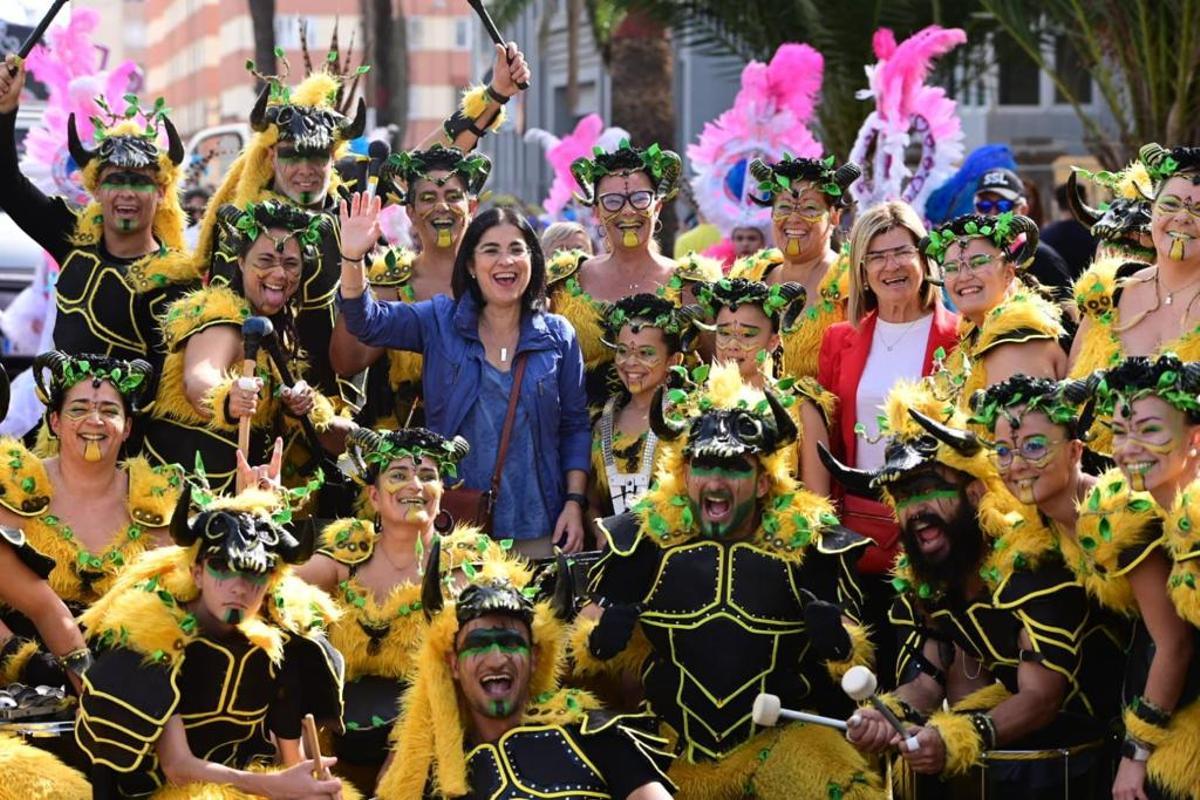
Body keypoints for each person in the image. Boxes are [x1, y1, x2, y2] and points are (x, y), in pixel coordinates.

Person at [575, 363, 881, 799]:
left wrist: (839, 645)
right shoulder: (644, 537)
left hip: (779, 745)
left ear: (761, 483)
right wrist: (599, 640)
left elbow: (856, 653)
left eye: (735, 467)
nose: (716, 481)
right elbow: (581, 636)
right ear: (684, 476)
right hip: (672, 745)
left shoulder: (808, 541)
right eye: (703, 466)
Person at [822, 383, 1124, 795]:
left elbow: (1042, 697)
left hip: (1097, 752)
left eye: (929, 488)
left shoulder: (1030, 563)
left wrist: (960, 736)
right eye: (904, 497)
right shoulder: (933, 579)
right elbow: (928, 682)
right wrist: (886, 713)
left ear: (976, 490)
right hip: (1031, 745)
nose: (916, 510)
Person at [972, 371, 1200, 800]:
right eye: (1003, 451)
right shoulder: (1043, 528)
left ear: (1076, 449)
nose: (1017, 463)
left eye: (1035, 446)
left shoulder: (1114, 518)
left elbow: (1173, 645)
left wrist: (1136, 755)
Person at [337, 196, 590, 556]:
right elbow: (367, 322)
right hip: (456, 526)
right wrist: (352, 258)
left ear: (532, 261)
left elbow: (575, 426)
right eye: (491, 250)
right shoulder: (440, 320)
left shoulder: (558, 335)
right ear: (470, 264)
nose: (505, 261)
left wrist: (574, 503)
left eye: (516, 250)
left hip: (541, 528)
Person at [75, 485, 354, 799]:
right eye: (221, 567)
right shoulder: (156, 636)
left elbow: (293, 760)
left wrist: (315, 787)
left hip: (246, 784)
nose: (238, 588)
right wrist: (276, 786)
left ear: (271, 582)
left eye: (254, 573)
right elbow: (178, 767)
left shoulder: (280, 643)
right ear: (196, 573)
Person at [295, 426, 519, 792]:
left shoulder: (464, 564)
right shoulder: (347, 555)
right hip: (337, 735)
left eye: (428, 475)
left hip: (433, 729)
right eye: (399, 475)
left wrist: (408, 754)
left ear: (441, 494)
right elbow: (275, 596)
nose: (415, 485)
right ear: (374, 496)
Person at [375, 552, 675, 799]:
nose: (496, 659)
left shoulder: (591, 734)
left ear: (534, 658)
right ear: (454, 664)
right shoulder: (431, 776)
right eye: (478, 645)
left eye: (510, 643)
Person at [817, 201, 960, 687]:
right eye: (875, 256)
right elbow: (833, 438)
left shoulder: (959, 338)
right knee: (859, 674)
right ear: (861, 269)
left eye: (901, 251)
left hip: (935, 532)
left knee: (925, 672)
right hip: (860, 533)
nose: (890, 266)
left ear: (924, 259)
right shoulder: (840, 339)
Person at [0, 57, 200, 365]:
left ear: (161, 192)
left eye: (139, 182)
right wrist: (5, 110)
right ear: (95, 189)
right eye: (115, 180)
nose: (126, 193)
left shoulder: (176, 280)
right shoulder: (72, 241)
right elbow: (8, 186)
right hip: (64, 411)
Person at [144, 200, 352, 494]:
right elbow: (200, 377)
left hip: (244, 499)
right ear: (241, 262)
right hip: (185, 500)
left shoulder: (279, 334)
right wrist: (228, 397)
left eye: (291, 264)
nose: (280, 274)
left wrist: (301, 408)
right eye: (265, 261)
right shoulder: (221, 317)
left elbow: (323, 432)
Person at [193, 64, 368, 409]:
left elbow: (419, 167)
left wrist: (493, 95)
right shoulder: (245, 228)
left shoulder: (351, 210)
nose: (305, 169)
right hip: (267, 401)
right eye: (291, 155)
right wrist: (230, 395)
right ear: (272, 155)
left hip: (346, 408)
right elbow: (224, 322)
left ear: (333, 159)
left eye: (316, 156)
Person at [5, 352, 182, 635]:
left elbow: (187, 592)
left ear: (127, 428)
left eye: (110, 411)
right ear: (55, 422)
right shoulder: (13, 486)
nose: (95, 420)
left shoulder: (159, 501)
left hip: (120, 669)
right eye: (78, 409)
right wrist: (17, 656)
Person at [330, 145, 493, 430]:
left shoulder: (497, 278)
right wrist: (352, 256)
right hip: (409, 457)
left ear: (473, 207)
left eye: (453, 197)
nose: (441, 207)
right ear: (411, 212)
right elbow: (347, 362)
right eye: (428, 198)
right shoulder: (392, 281)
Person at [553, 140, 721, 407]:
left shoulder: (694, 283)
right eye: (612, 201)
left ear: (658, 207)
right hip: (579, 442)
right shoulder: (563, 283)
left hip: (673, 441)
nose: (628, 210)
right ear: (596, 211)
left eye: (640, 198)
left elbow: (721, 374)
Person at [1068, 145, 1200, 453]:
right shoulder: (1110, 294)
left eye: (1198, 209)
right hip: (1098, 491)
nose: (1182, 217)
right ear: (1152, 211)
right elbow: (1070, 403)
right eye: (1171, 204)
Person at [695, 277, 833, 495]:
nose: (732, 345)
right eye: (724, 333)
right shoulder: (696, 404)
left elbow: (818, 502)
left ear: (773, 342)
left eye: (747, 335)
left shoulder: (801, 407)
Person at [730, 153, 862, 379]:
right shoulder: (747, 276)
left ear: (834, 216)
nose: (794, 218)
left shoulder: (852, 283)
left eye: (809, 208)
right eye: (783, 207)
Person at [921, 213, 1067, 404]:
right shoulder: (974, 335)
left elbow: (1019, 431)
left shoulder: (1018, 341)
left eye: (979, 262)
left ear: (1008, 274)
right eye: (951, 268)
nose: (963, 276)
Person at [588, 295, 692, 521]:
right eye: (623, 351)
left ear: (674, 361)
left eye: (646, 353)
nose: (630, 363)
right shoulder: (603, 421)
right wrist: (600, 529)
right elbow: (592, 502)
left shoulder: (688, 420)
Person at [973, 168, 1072, 294]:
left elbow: (1069, 310)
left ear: (1023, 210)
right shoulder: (970, 258)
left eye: (1004, 205)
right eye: (984, 206)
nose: (993, 213)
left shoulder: (1043, 258)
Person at [1040, 182, 1098, 279]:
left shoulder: (1045, 235)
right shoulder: (1095, 234)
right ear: (1084, 203)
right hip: (1092, 288)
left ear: (1058, 204)